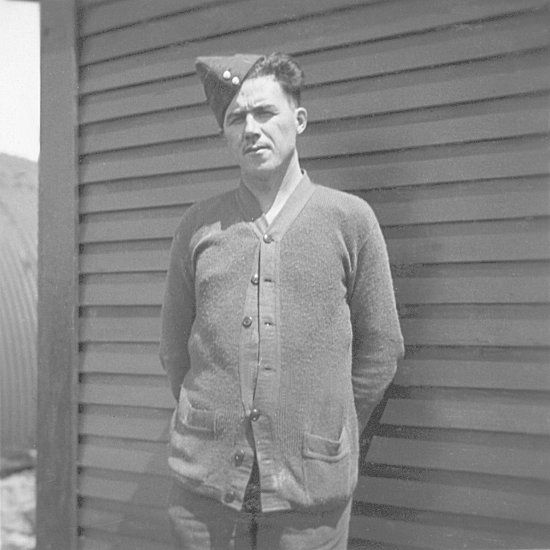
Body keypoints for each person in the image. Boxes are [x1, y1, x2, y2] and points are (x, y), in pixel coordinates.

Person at [160, 52, 404, 550]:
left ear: (299, 119)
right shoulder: (198, 227)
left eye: (264, 112)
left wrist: (329, 429)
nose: (251, 129)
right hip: (204, 497)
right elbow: (174, 351)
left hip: (309, 501)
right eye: (236, 118)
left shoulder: (350, 220)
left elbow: (382, 350)